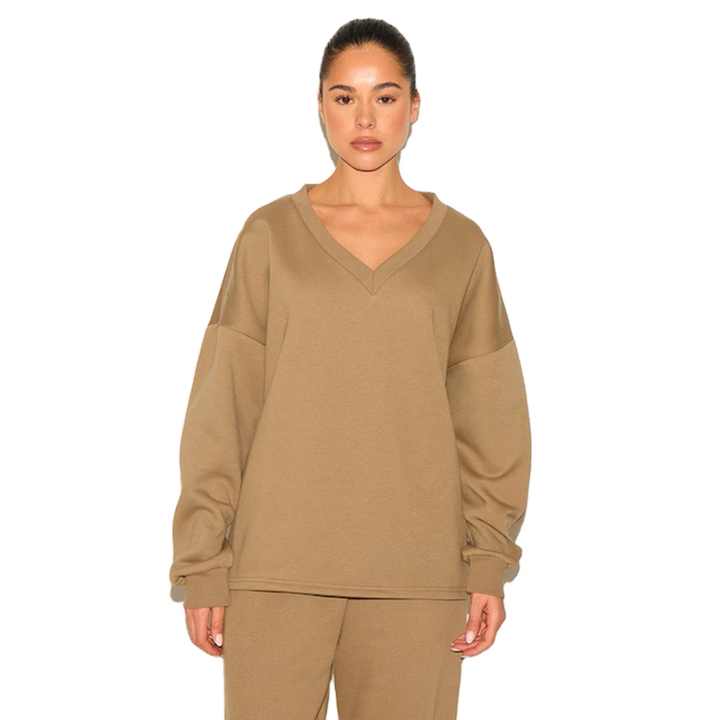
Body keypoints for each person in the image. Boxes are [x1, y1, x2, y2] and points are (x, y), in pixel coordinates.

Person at [169, 17, 532, 720]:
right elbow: (223, 405)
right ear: (320, 104)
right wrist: (204, 560)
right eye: (345, 97)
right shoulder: (269, 235)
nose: (365, 118)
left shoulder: (462, 248)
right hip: (274, 574)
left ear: (414, 106)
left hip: (416, 580)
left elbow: (491, 419)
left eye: (385, 97)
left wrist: (487, 559)